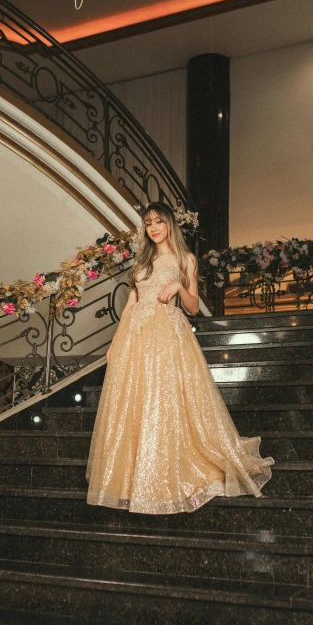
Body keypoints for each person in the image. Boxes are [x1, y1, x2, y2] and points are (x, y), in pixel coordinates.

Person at [85, 201, 274, 514]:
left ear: (170, 224)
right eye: (148, 224)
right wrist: (115, 342)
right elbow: (132, 301)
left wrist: (178, 285)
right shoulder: (143, 259)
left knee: (163, 402)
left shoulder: (186, 259)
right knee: (133, 403)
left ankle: (165, 477)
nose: (154, 228)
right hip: (136, 334)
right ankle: (133, 480)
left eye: (159, 221)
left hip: (166, 333)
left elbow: (193, 306)